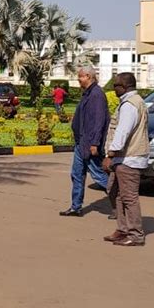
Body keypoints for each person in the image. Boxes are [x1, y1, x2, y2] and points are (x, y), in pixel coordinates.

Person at [102, 72, 149, 246]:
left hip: (129, 158)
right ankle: (122, 230)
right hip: (124, 158)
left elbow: (123, 132)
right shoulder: (131, 102)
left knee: (128, 197)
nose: (113, 88)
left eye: (115, 85)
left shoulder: (130, 105)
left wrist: (110, 155)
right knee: (115, 193)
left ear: (125, 87)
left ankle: (135, 234)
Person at [59, 66, 110, 217]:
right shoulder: (87, 94)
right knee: (77, 174)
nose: (78, 79)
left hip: (89, 143)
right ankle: (76, 207)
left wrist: (95, 143)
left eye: (80, 76)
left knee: (100, 176)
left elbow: (99, 121)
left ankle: (121, 204)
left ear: (88, 76)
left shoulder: (96, 94)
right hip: (81, 142)